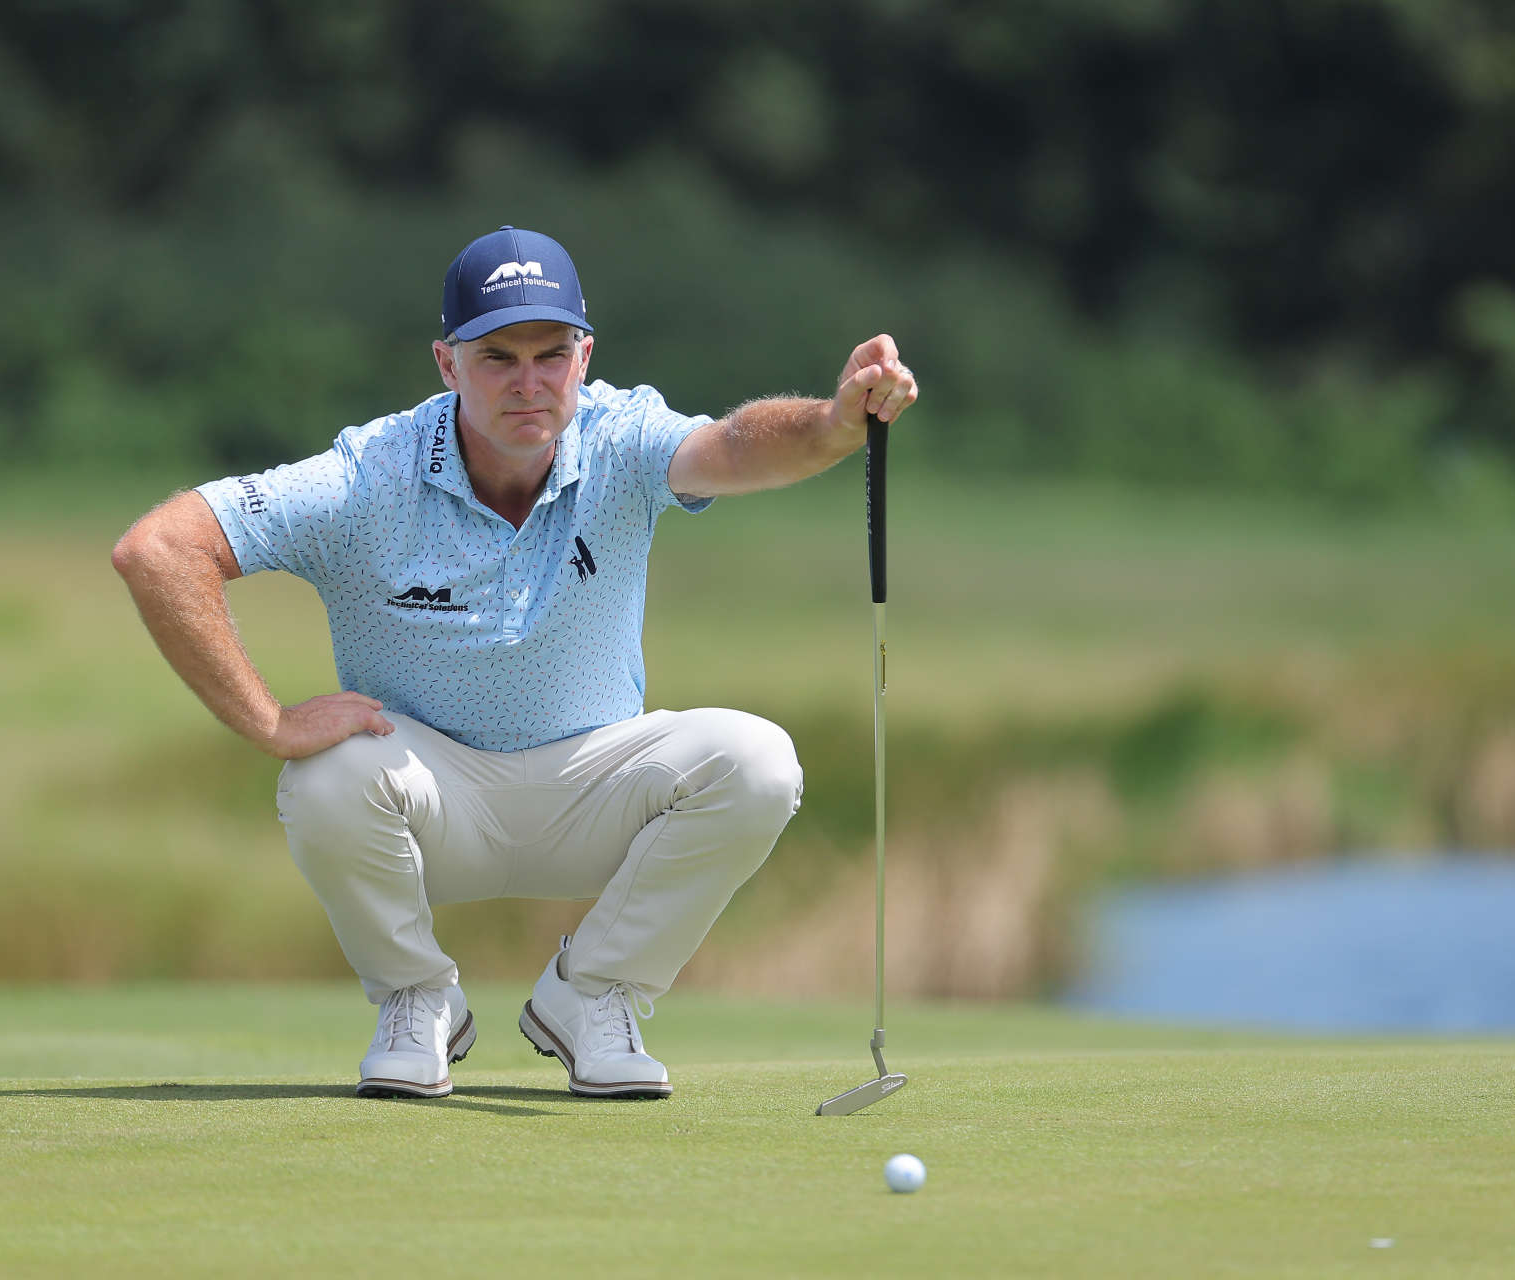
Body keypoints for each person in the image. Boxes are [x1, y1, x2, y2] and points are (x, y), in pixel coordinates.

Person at [111, 226, 918, 1100]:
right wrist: (269, 721)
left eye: (551, 354)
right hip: (429, 799)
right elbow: (159, 549)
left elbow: (734, 445)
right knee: (323, 775)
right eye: (497, 357)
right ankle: (415, 1002)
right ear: (446, 362)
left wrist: (835, 423)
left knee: (758, 761)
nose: (528, 383)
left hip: (595, 784)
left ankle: (594, 997)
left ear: (585, 356)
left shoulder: (620, 437)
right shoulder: (368, 476)